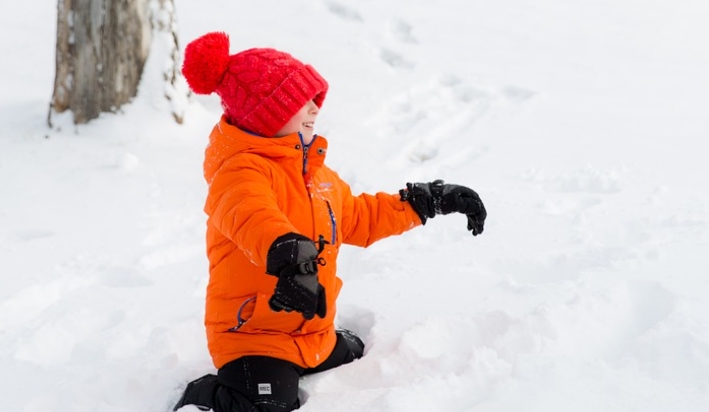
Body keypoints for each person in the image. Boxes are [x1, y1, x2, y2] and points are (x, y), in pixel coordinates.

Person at [173, 31, 487, 412]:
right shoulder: (238, 173)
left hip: (311, 331)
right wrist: (289, 254)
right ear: (265, 116)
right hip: (253, 335)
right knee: (266, 405)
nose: (314, 109)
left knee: (357, 352)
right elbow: (252, 216)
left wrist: (426, 201)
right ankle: (205, 394)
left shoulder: (316, 175)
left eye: (314, 100)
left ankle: (314, 347)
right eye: (299, 102)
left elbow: (360, 217)